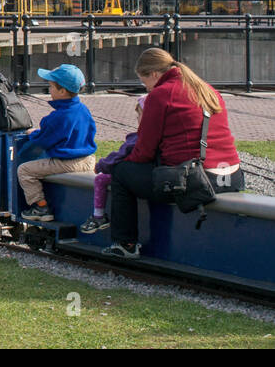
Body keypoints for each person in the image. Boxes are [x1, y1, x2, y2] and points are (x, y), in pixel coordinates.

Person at [104, 48, 243, 258]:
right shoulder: (206, 89)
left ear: (154, 75)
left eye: (144, 82)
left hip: (199, 179)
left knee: (122, 173)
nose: (146, 88)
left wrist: (122, 161)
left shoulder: (161, 94)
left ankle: (125, 244)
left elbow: (144, 150)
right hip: (231, 176)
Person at [16, 64, 97, 221]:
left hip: (66, 162)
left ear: (62, 91)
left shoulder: (57, 117)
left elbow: (44, 140)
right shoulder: (83, 109)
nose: (49, 89)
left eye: (51, 86)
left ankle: (40, 207)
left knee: (25, 170)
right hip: (88, 160)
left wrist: (33, 134)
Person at [81, 97, 142, 234]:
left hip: (129, 175)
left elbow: (118, 156)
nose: (138, 118)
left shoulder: (136, 138)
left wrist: (101, 165)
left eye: (139, 115)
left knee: (100, 179)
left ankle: (99, 216)